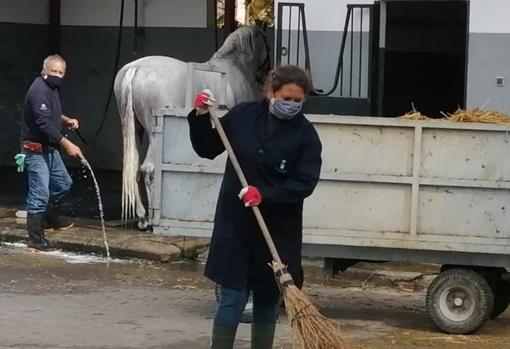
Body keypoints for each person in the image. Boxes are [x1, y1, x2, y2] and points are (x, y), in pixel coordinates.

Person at [188, 65, 322, 349]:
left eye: (298, 101)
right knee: (233, 296)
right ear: (271, 92)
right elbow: (208, 148)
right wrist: (201, 116)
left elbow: (305, 183)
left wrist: (267, 194)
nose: (292, 105)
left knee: (267, 299)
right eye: (287, 98)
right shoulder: (243, 116)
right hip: (235, 226)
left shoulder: (306, 135)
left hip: (275, 231)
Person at [22, 54, 84, 251]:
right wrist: (67, 144)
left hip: (50, 147)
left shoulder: (52, 88)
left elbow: (51, 114)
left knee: (63, 184)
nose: (57, 75)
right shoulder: (38, 90)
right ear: (44, 71)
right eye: (53, 71)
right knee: (39, 193)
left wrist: (66, 120)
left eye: (61, 72)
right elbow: (42, 122)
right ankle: (35, 238)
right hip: (36, 148)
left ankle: (48, 219)